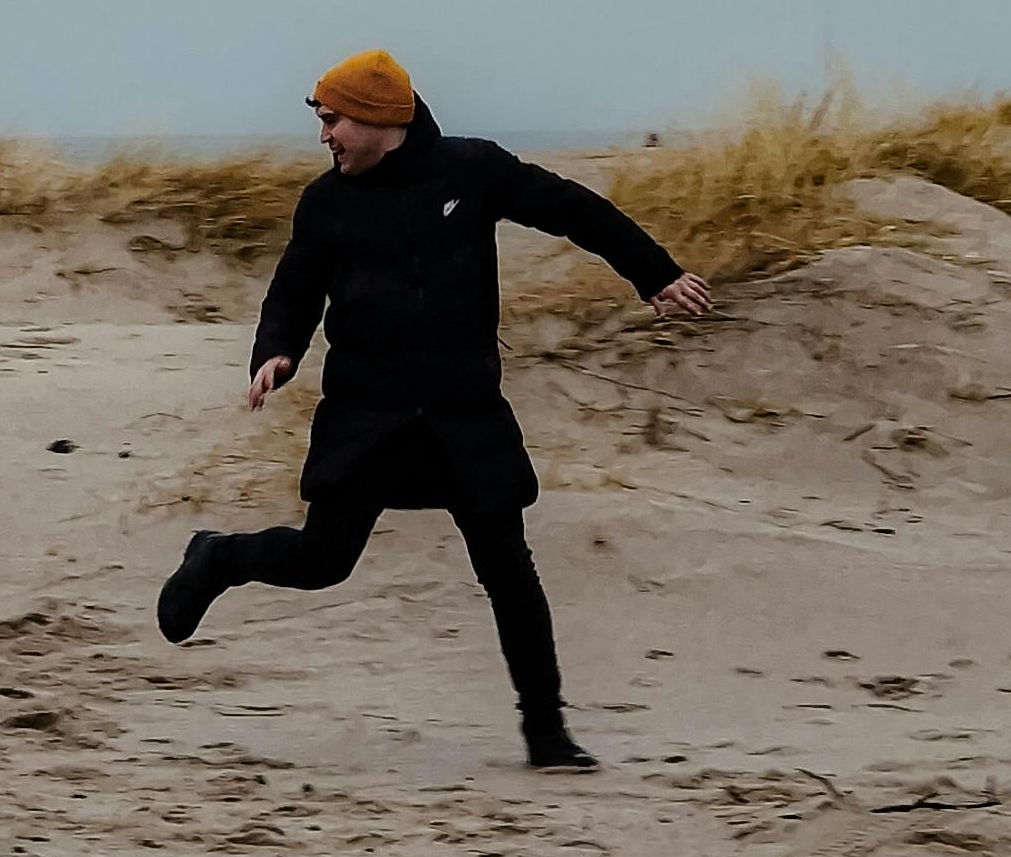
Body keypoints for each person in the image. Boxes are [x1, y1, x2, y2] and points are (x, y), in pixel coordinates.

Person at [155, 49, 712, 768]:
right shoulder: (327, 202)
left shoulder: (472, 171)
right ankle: (218, 557)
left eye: (333, 121)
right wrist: (277, 350)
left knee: (508, 568)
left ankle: (545, 732)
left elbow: (575, 210)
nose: (324, 136)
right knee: (324, 562)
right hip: (368, 414)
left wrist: (655, 275)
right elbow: (295, 287)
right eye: (322, 121)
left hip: (463, 415)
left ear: (382, 120)